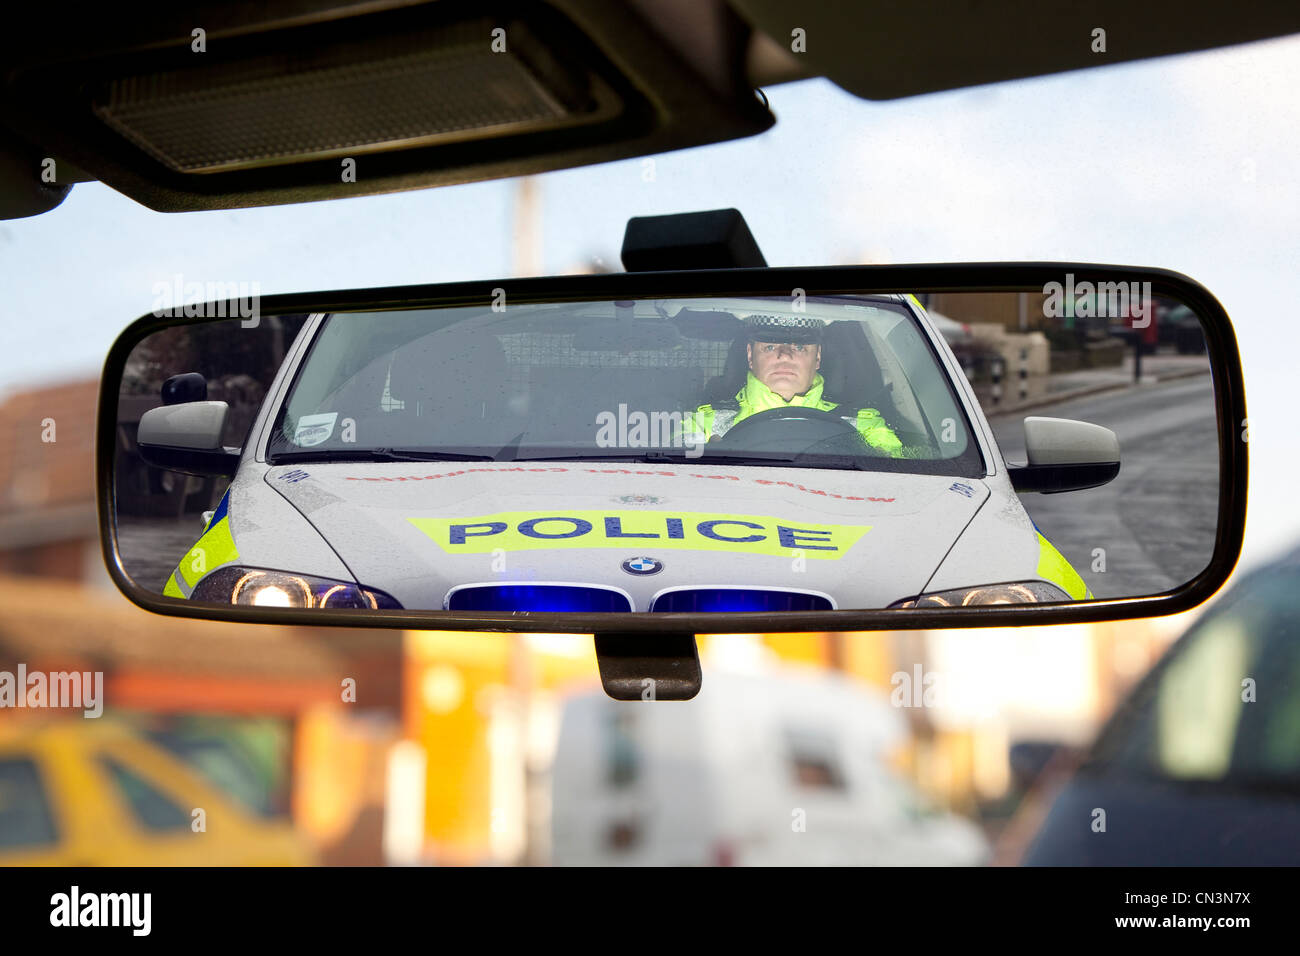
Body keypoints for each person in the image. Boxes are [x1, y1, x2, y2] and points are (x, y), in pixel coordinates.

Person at [680, 314, 905, 456]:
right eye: (770, 347)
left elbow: (898, 474)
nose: (784, 355)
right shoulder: (703, 423)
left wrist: (876, 457)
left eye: (799, 347)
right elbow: (678, 478)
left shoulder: (864, 425)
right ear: (750, 356)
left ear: (817, 358)